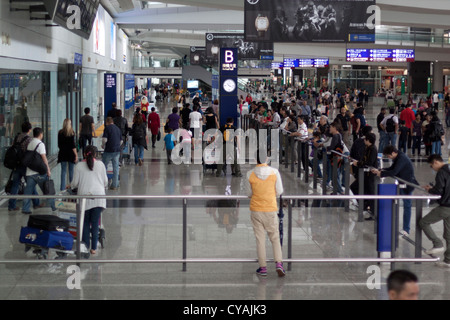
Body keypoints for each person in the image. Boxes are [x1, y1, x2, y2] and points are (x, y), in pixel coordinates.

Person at [244, 151, 285, 277]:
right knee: (275, 238)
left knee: (260, 239)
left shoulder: (249, 174)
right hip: (271, 208)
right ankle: (278, 263)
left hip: (256, 209)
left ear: (255, 159)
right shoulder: (274, 172)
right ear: (266, 159)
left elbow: (248, 193)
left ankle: (263, 268)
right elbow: (279, 191)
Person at [371, 145, 418, 236]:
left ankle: (406, 229)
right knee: (394, 201)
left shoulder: (401, 158)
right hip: (401, 184)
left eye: (388, 156)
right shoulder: (398, 156)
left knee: (407, 206)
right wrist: (380, 170)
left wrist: (381, 173)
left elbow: (394, 172)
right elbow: (392, 168)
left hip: (407, 185)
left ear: (393, 152)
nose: (388, 158)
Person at [70, 145, 108, 256]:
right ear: (95, 154)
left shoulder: (79, 166)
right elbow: (105, 182)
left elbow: (75, 183)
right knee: (95, 223)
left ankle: (85, 246)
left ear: (84, 154)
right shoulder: (101, 165)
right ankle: (94, 248)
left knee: (85, 223)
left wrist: (70, 186)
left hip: (84, 198)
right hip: (99, 197)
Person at [419, 155, 450, 268]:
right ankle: (448, 260)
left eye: (432, 166)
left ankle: (437, 244)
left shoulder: (441, 172)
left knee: (423, 222)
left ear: (436, 162)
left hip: (446, 206)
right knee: (449, 234)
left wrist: (430, 189)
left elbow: (439, 190)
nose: (433, 168)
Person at [22, 127, 56, 214]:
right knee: (47, 190)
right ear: (40, 134)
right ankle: (54, 206)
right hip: (40, 173)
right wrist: (48, 169)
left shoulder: (30, 143)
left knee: (28, 192)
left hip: (30, 172)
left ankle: (25, 209)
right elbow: (44, 158)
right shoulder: (40, 144)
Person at [7, 121, 40, 212]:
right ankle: (36, 203)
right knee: (31, 184)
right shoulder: (29, 139)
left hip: (16, 164)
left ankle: (11, 206)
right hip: (24, 165)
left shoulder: (17, 137)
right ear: (29, 130)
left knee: (15, 185)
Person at [350, 132, 378, 216]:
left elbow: (369, 162)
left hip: (370, 174)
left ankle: (372, 210)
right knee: (355, 188)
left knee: (370, 192)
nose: (364, 140)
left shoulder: (373, 149)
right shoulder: (367, 148)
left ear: (368, 140)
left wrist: (358, 163)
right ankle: (364, 205)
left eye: (365, 139)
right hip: (364, 174)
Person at [57, 119, 78, 191]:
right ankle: (71, 187)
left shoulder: (60, 132)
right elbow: (73, 145)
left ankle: (62, 188)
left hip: (62, 153)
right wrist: (76, 155)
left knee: (63, 171)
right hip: (70, 154)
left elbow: (59, 145)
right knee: (71, 171)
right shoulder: (72, 132)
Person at [102, 117, 122, 190]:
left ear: (107, 122)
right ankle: (115, 185)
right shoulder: (118, 128)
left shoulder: (107, 128)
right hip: (117, 151)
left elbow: (104, 139)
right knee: (116, 168)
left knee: (103, 167)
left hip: (108, 150)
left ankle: (103, 183)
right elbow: (121, 141)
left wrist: (103, 145)